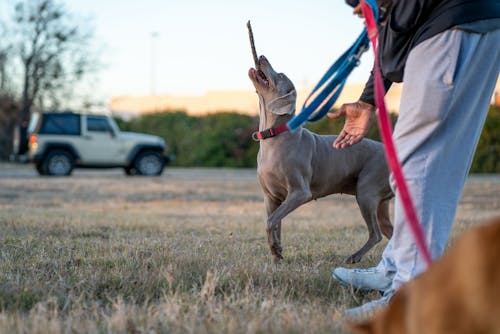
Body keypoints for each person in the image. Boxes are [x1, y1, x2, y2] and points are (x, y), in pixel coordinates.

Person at [328, 0, 500, 318]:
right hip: (478, 21)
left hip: (449, 25)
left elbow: (393, 24)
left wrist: (374, 9)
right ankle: (395, 269)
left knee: (417, 166)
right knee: (436, 163)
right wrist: (368, 100)